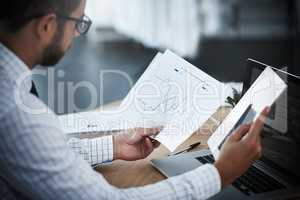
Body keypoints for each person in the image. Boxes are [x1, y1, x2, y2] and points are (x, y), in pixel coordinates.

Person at [0, 0, 270, 199]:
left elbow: (36, 155)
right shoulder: (16, 114)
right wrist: (221, 173)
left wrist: (112, 147)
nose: (77, 33)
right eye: (79, 23)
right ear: (46, 26)